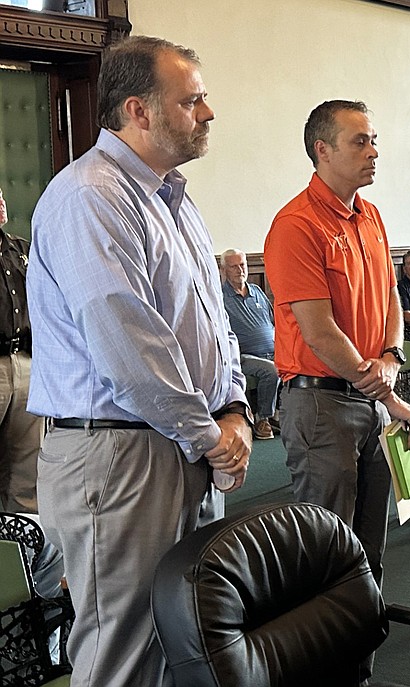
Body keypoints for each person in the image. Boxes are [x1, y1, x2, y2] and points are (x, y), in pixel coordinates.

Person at [26, 35, 251, 687]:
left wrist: (233, 408)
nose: (208, 113)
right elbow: (128, 349)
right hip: (119, 456)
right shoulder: (91, 195)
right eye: (193, 100)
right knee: (127, 653)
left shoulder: (173, 199)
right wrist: (212, 436)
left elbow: (213, 324)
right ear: (139, 111)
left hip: (180, 443)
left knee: (189, 631)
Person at [263, 100, 410, 610]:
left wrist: (392, 357)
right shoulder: (296, 225)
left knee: (370, 551)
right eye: (361, 141)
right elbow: (319, 332)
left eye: (374, 141)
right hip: (322, 406)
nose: (374, 152)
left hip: (370, 397)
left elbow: (391, 295)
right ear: (321, 150)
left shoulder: (369, 215)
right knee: (327, 554)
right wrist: (382, 388)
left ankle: (359, 667)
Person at [0, 186, 41, 515]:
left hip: (25, 362)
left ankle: (25, 551)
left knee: (27, 464)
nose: (0, 204)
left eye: (0, 198)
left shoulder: (21, 250)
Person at [220, 248, 279, 439]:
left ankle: (285, 417)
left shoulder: (257, 291)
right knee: (271, 371)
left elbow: (272, 321)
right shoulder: (221, 298)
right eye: (233, 267)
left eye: (242, 265)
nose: (240, 270)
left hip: (273, 351)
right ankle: (263, 419)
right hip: (244, 357)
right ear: (223, 271)